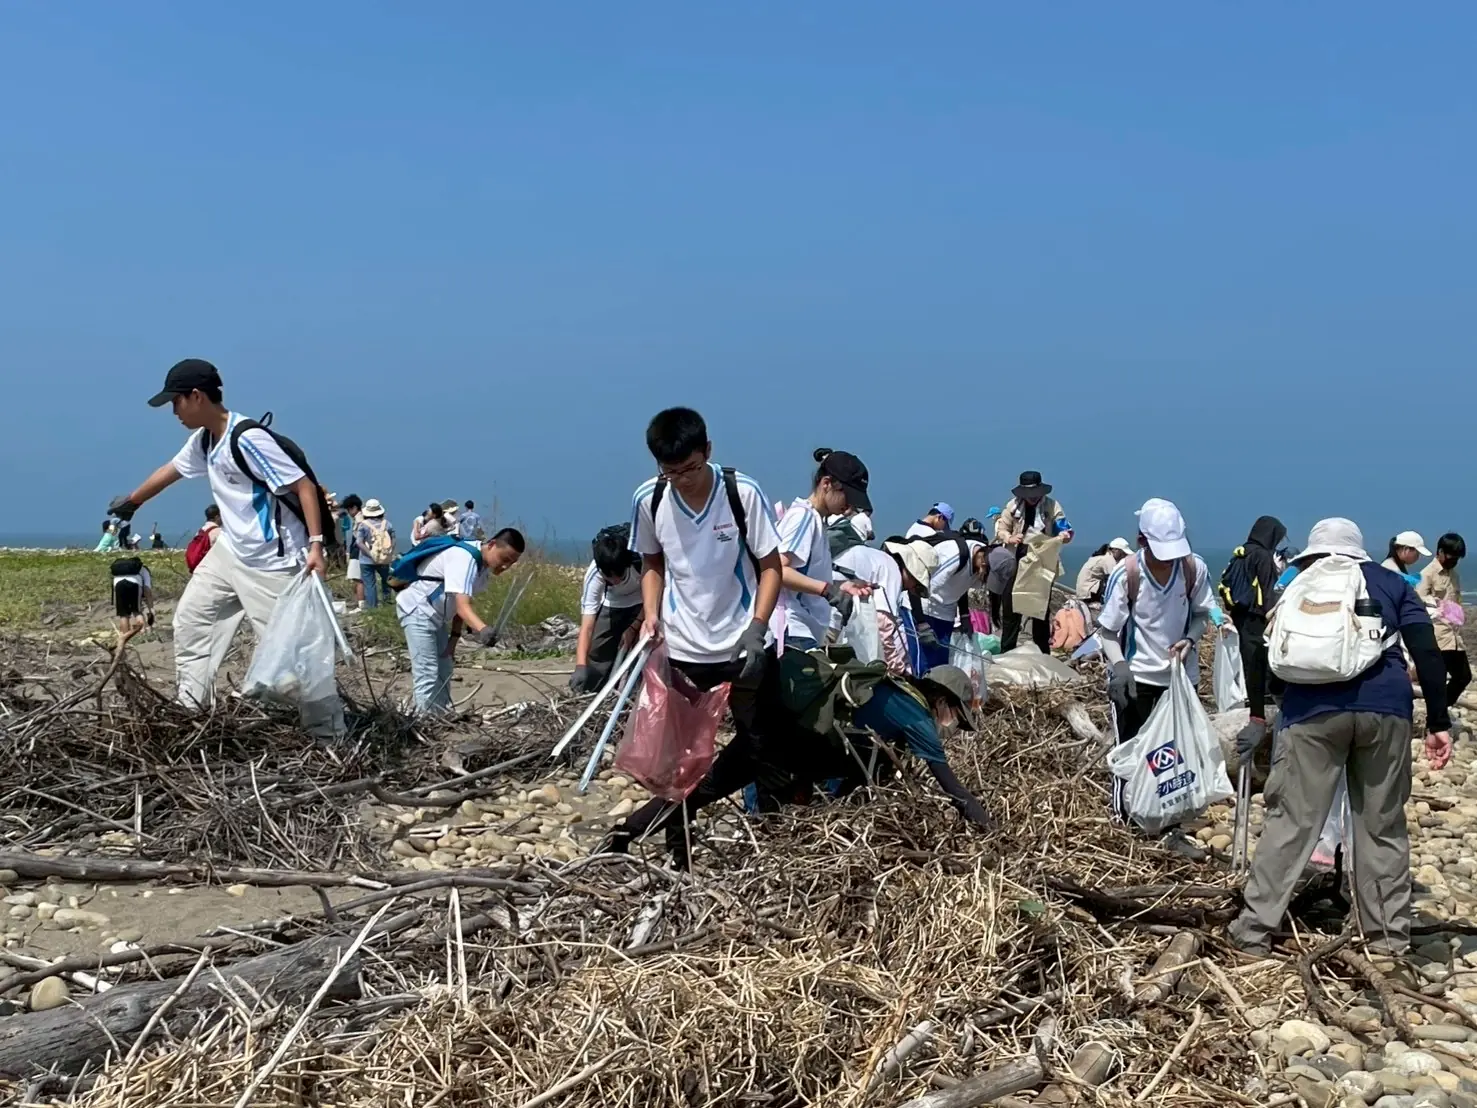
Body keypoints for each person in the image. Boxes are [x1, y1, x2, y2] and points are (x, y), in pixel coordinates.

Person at [1228, 519, 1454, 956]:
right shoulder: (1390, 583)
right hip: (1385, 711)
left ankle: (1254, 932)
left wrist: (1262, 711)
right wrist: (1439, 721)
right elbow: (1426, 649)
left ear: (1312, 552)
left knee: (1292, 821)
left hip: (1310, 712)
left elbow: (1259, 648)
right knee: (1381, 825)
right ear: (1360, 551)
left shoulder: (1295, 581)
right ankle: (1387, 940)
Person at [605, 407, 787, 868]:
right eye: (672, 471)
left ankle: (770, 842)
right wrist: (650, 615)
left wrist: (757, 629)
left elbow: (770, 566)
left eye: (690, 467)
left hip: (740, 644)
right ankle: (675, 850)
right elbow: (652, 564)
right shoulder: (650, 499)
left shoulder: (739, 492)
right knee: (678, 761)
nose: (683, 479)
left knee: (761, 746)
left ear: (707, 450)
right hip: (684, 649)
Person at [107, 358, 332, 713]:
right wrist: (133, 502)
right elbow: (173, 470)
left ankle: (326, 733)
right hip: (230, 552)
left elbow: (304, 485)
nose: (174, 412)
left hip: (272, 563)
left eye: (175, 402)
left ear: (196, 396)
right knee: (193, 619)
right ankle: (192, 707)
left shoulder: (248, 439)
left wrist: (316, 546)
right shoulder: (205, 441)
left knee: (293, 657)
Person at [1095, 499, 1214, 850]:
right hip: (1137, 678)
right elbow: (1107, 632)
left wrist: (1190, 640)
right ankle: (1126, 826)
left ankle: (1167, 825)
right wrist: (1119, 667)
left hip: (1178, 680)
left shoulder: (1193, 569)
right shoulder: (1127, 574)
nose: (1167, 559)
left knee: (1172, 757)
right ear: (1142, 540)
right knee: (1131, 751)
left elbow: (1201, 615)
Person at [395, 528, 525, 712]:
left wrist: (454, 638)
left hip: (436, 617)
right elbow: (463, 606)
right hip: (417, 609)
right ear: (492, 545)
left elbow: (460, 604)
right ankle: (423, 719)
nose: (505, 566)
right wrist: (483, 629)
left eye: (511, 563)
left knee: (444, 668)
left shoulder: (482, 569)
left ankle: (439, 713)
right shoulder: (465, 558)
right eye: (504, 559)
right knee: (427, 672)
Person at [774, 448, 875, 651]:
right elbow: (777, 569)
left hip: (803, 630)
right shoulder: (804, 517)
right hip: (792, 629)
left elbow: (805, 572)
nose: (849, 506)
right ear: (826, 484)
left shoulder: (816, 521)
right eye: (846, 496)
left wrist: (841, 585)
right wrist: (828, 591)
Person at [1220, 516, 1288, 765]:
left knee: (1250, 664)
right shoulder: (1262, 556)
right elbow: (1269, 591)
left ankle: (1257, 707)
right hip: (1258, 619)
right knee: (1263, 663)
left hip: (1241, 617)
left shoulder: (1241, 553)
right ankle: (1261, 713)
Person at [994, 471, 1073, 652]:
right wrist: (1010, 537)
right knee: (1010, 606)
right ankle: (1007, 650)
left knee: (1039, 607)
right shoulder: (1013, 506)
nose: (1033, 498)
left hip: (1040, 562)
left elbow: (1064, 526)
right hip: (1017, 560)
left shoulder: (1051, 506)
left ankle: (1042, 651)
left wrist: (1064, 535)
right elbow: (1002, 528)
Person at [829, 513, 910, 672]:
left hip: (817, 609)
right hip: (831, 621)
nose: (912, 590)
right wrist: (899, 672)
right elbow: (883, 628)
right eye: (917, 585)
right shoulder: (891, 569)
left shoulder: (867, 556)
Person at [570, 524, 644, 692]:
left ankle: (632, 694)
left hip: (642, 603)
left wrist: (633, 627)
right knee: (598, 651)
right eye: (609, 577)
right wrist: (580, 666)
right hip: (611, 604)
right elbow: (587, 627)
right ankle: (593, 693)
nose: (615, 581)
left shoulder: (641, 561)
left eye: (620, 576)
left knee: (640, 649)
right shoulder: (594, 575)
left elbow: (654, 598)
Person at [917, 530, 987, 669]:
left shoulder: (979, 565)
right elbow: (924, 584)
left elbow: (961, 587)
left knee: (941, 662)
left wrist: (965, 615)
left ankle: (939, 689)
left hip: (946, 615)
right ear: (985, 562)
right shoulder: (956, 555)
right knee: (923, 662)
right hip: (926, 610)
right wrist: (921, 622)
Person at [1418, 533, 1469, 708]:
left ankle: (1440, 710)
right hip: (1437, 636)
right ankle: (1436, 720)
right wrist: (1438, 606)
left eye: (1457, 558)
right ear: (1440, 551)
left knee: (1463, 676)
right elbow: (1418, 601)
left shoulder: (1454, 575)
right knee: (1437, 681)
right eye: (1451, 556)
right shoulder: (1427, 574)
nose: (1453, 560)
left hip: (1453, 637)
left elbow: (1457, 601)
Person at [352, 499, 396, 609]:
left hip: (366, 560)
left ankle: (372, 608)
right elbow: (393, 539)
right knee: (386, 581)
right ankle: (387, 605)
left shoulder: (363, 525)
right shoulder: (387, 524)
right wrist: (389, 551)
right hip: (384, 558)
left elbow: (359, 542)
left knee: (370, 585)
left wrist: (370, 554)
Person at [1075, 538, 1132, 605]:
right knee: (1115, 581)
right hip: (1088, 594)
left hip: (1083, 592)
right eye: (1123, 554)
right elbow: (1115, 577)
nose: (1124, 557)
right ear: (1116, 550)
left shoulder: (1102, 556)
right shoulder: (1108, 559)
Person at [110, 554, 155, 637]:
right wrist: (151, 608)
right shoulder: (144, 570)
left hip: (118, 584)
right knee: (137, 611)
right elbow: (147, 590)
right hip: (134, 583)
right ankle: (143, 633)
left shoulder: (120, 570)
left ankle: (125, 637)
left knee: (123, 614)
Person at [339, 494, 365, 606]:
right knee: (358, 578)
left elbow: (359, 539)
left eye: (349, 509)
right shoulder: (363, 518)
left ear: (354, 507)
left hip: (357, 552)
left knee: (358, 579)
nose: (349, 513)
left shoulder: (360, 520)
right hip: (359, 552)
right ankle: (359, 602)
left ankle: (361, 603)